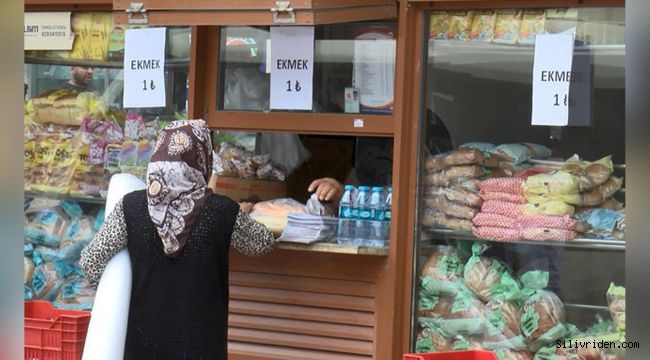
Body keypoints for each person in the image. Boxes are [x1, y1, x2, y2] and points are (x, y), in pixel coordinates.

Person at [80, 120, 275, 360]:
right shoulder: (221, 211)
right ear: (202, 158)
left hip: (142, 344)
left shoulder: (130, 207)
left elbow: (90, 260)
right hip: (202, 345)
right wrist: (242, 214)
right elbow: (262, 243)